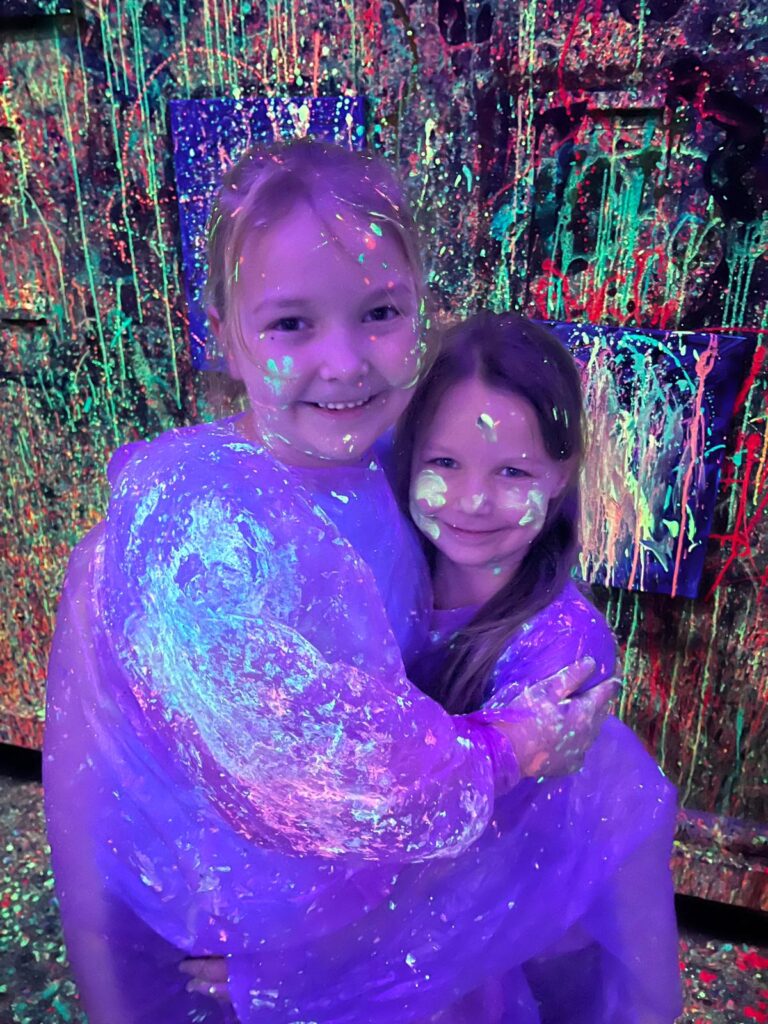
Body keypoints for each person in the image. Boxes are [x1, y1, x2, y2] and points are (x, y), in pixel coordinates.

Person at [43, 140, 642, 1024]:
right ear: (223, 333)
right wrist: (509, 749)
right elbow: (319, 773)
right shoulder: (204, 529)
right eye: (292, 324)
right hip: (232, 940)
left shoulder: (390, 462)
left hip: (375, 912)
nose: (346, 361)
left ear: (421, 307)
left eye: (380, 312)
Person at [391, 310, 683, 1022]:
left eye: (513, 471)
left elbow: (476, 880)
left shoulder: (563, 653)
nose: (473, 500)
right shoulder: (384, 576)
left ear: (560, 475)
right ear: (408, 456)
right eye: (445, 463)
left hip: (473, 946)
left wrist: (301, 968)